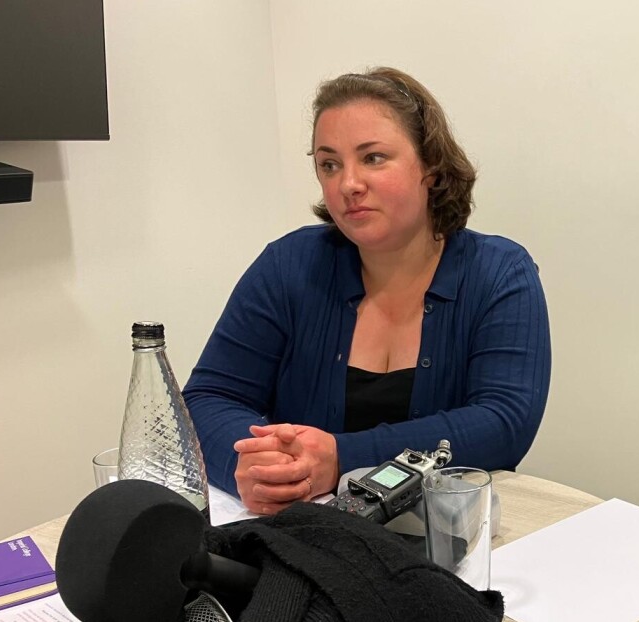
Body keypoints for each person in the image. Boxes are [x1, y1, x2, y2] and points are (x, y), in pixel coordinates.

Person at [183, 67, 551, 515]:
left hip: (444, 543)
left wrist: (340, 459)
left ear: (431, 167)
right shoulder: (288, 265)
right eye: (329, 164)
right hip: (302, 538)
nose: (349, 184)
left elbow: (503, 423)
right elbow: (208, 398)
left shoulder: (499, 273)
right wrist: (255, 464)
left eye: (373, 158)